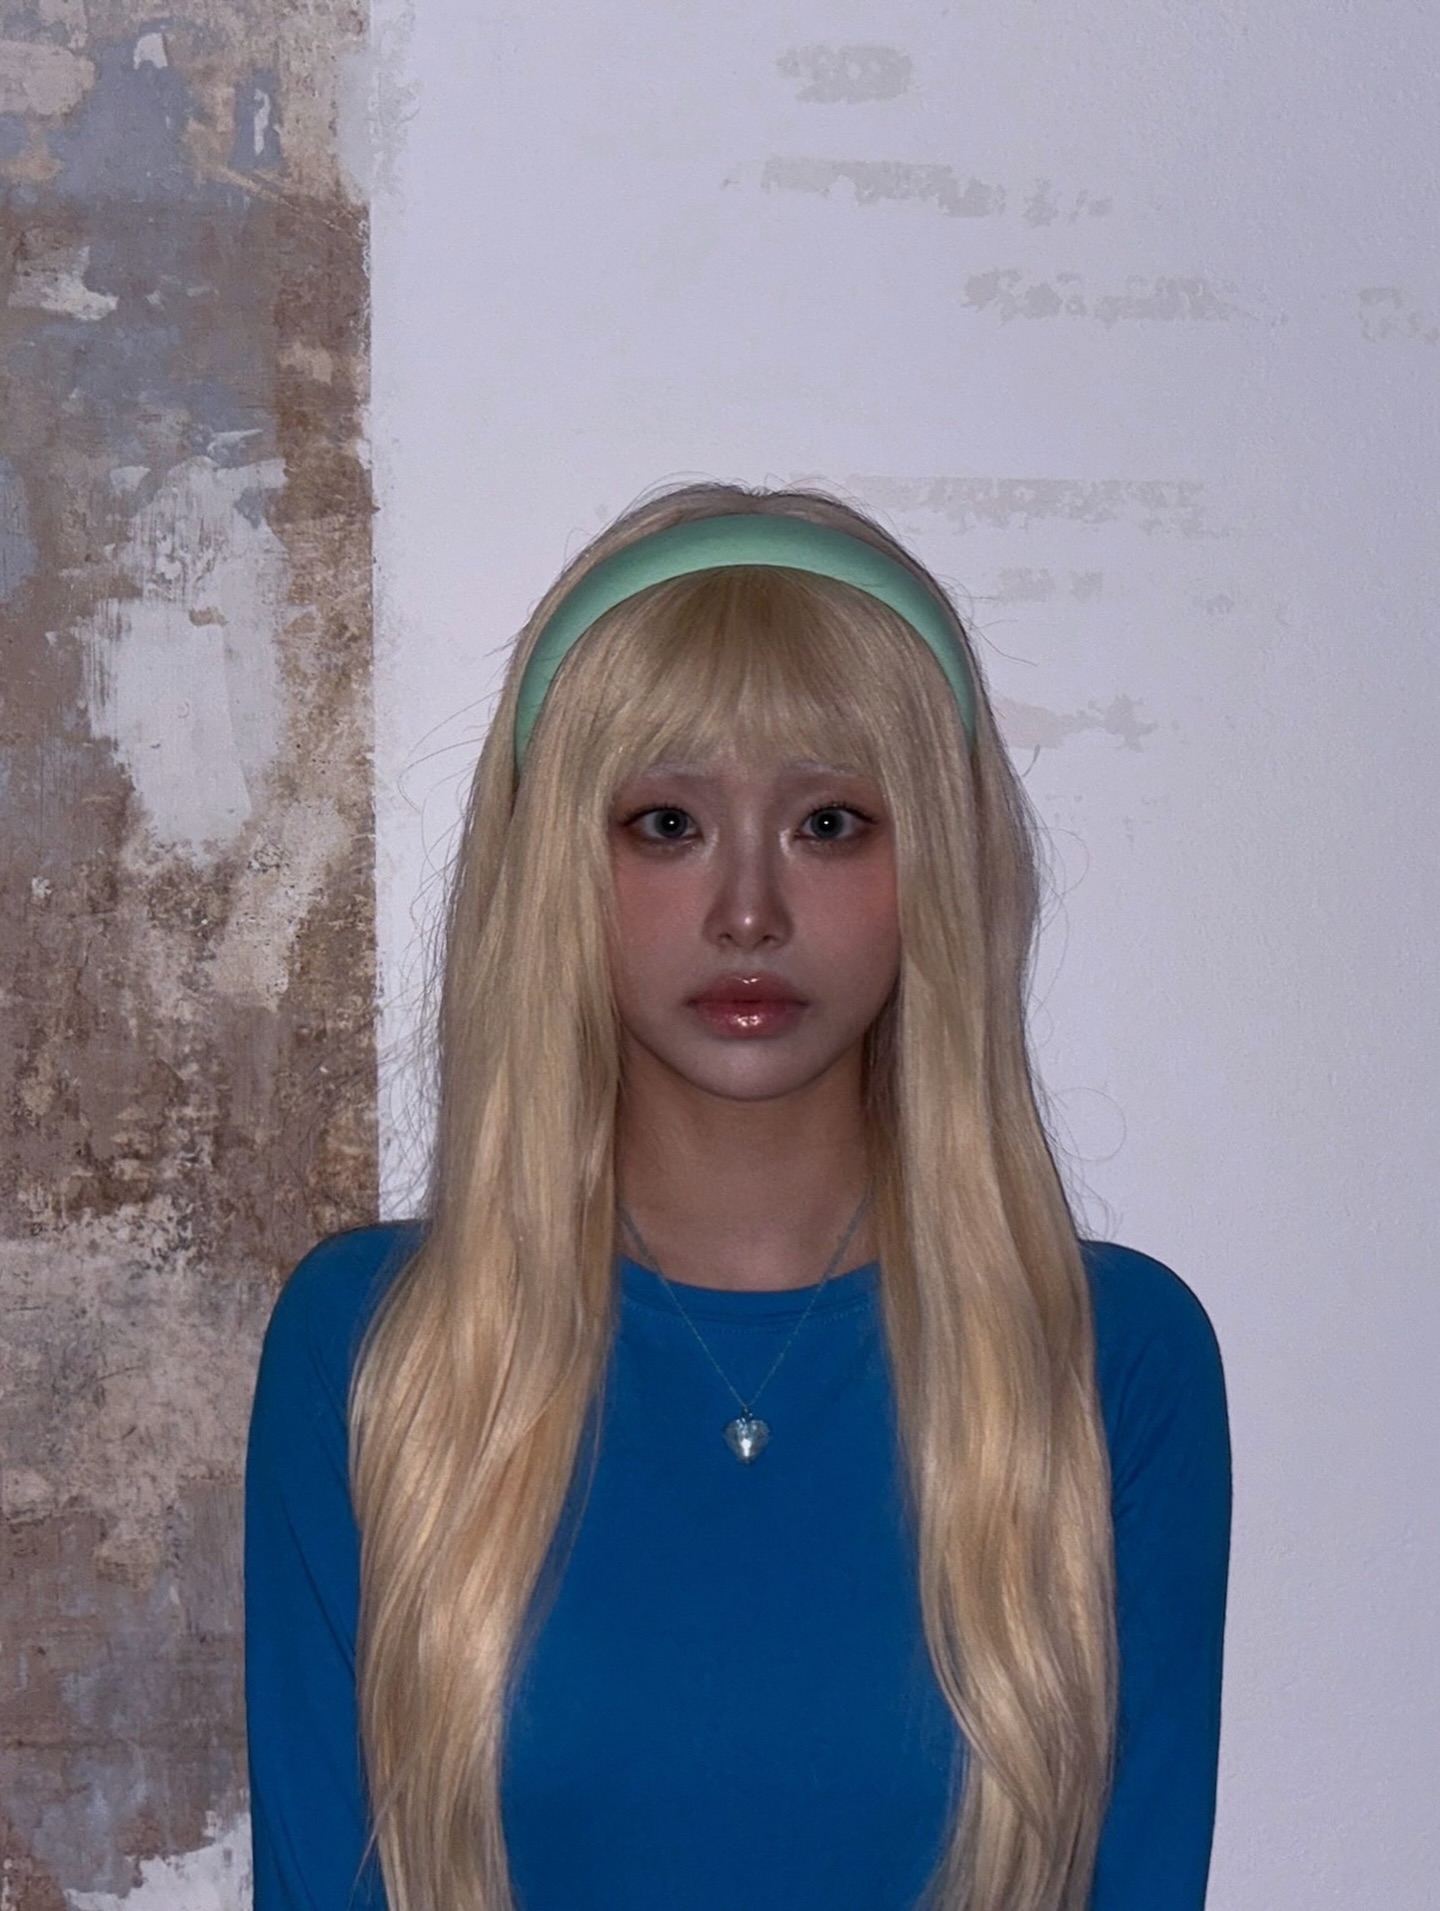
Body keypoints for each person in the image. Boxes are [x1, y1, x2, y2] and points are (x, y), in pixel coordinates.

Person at [244, 482, 1231, 1911]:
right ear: (558, 865)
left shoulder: (1108, 1359)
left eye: (830, 821)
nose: (749, 910)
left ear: (936, 862)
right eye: (667, 822)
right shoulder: (377, 1351)